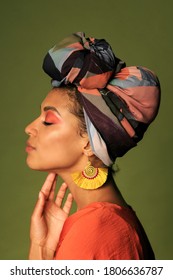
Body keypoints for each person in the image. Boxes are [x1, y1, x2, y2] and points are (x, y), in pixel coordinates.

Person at [25, 32, 161, 260]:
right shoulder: (107, 221)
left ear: (89, 143)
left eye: (48, 120)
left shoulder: (95, 229)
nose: (29, 127)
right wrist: (41, 249)